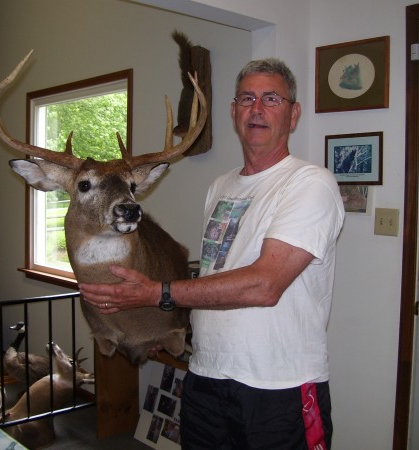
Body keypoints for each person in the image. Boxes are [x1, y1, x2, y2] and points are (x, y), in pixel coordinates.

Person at [80, 58, 345, 450]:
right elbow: (213, 278)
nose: (257, 109)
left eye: (272, 98)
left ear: (294, 114)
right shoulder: (220, 186)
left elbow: (264, 284)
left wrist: (157, 293)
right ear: (234, 112)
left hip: (278, 387)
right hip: (206, 377)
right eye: (247, 98)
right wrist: (162, 323)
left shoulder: (310, 183)